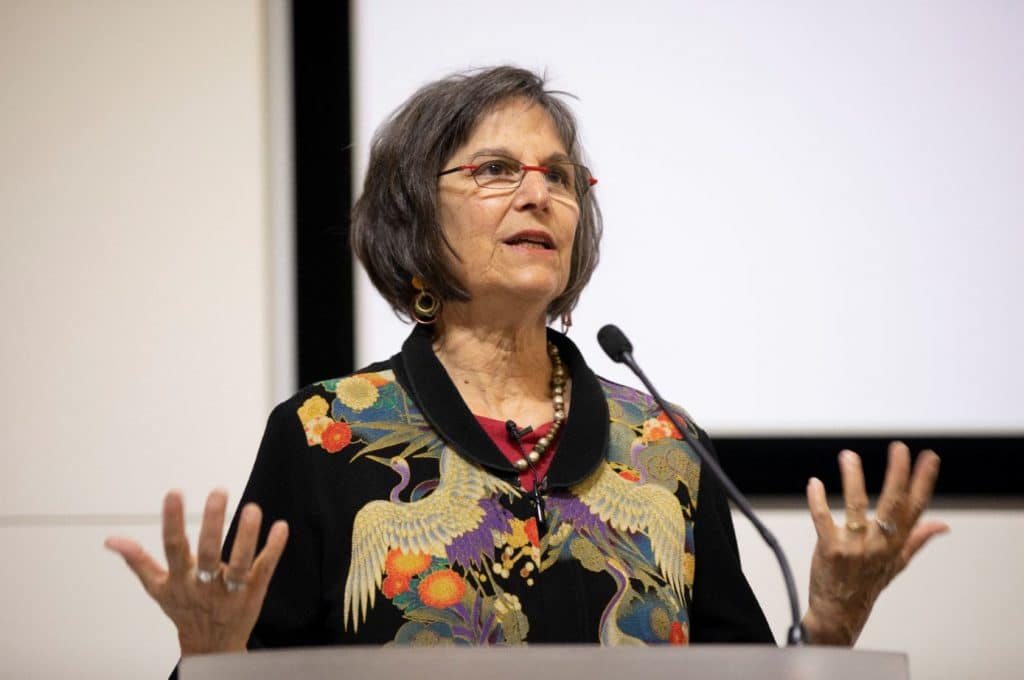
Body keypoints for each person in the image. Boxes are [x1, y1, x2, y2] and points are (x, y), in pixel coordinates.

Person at [105, 66, 947, 655]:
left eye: (559, 175)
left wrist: (832, 621)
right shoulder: (326, 436)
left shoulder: (664, 445)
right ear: (410, 213)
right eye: (497, 170)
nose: (539, 193)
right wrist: (211, 656)